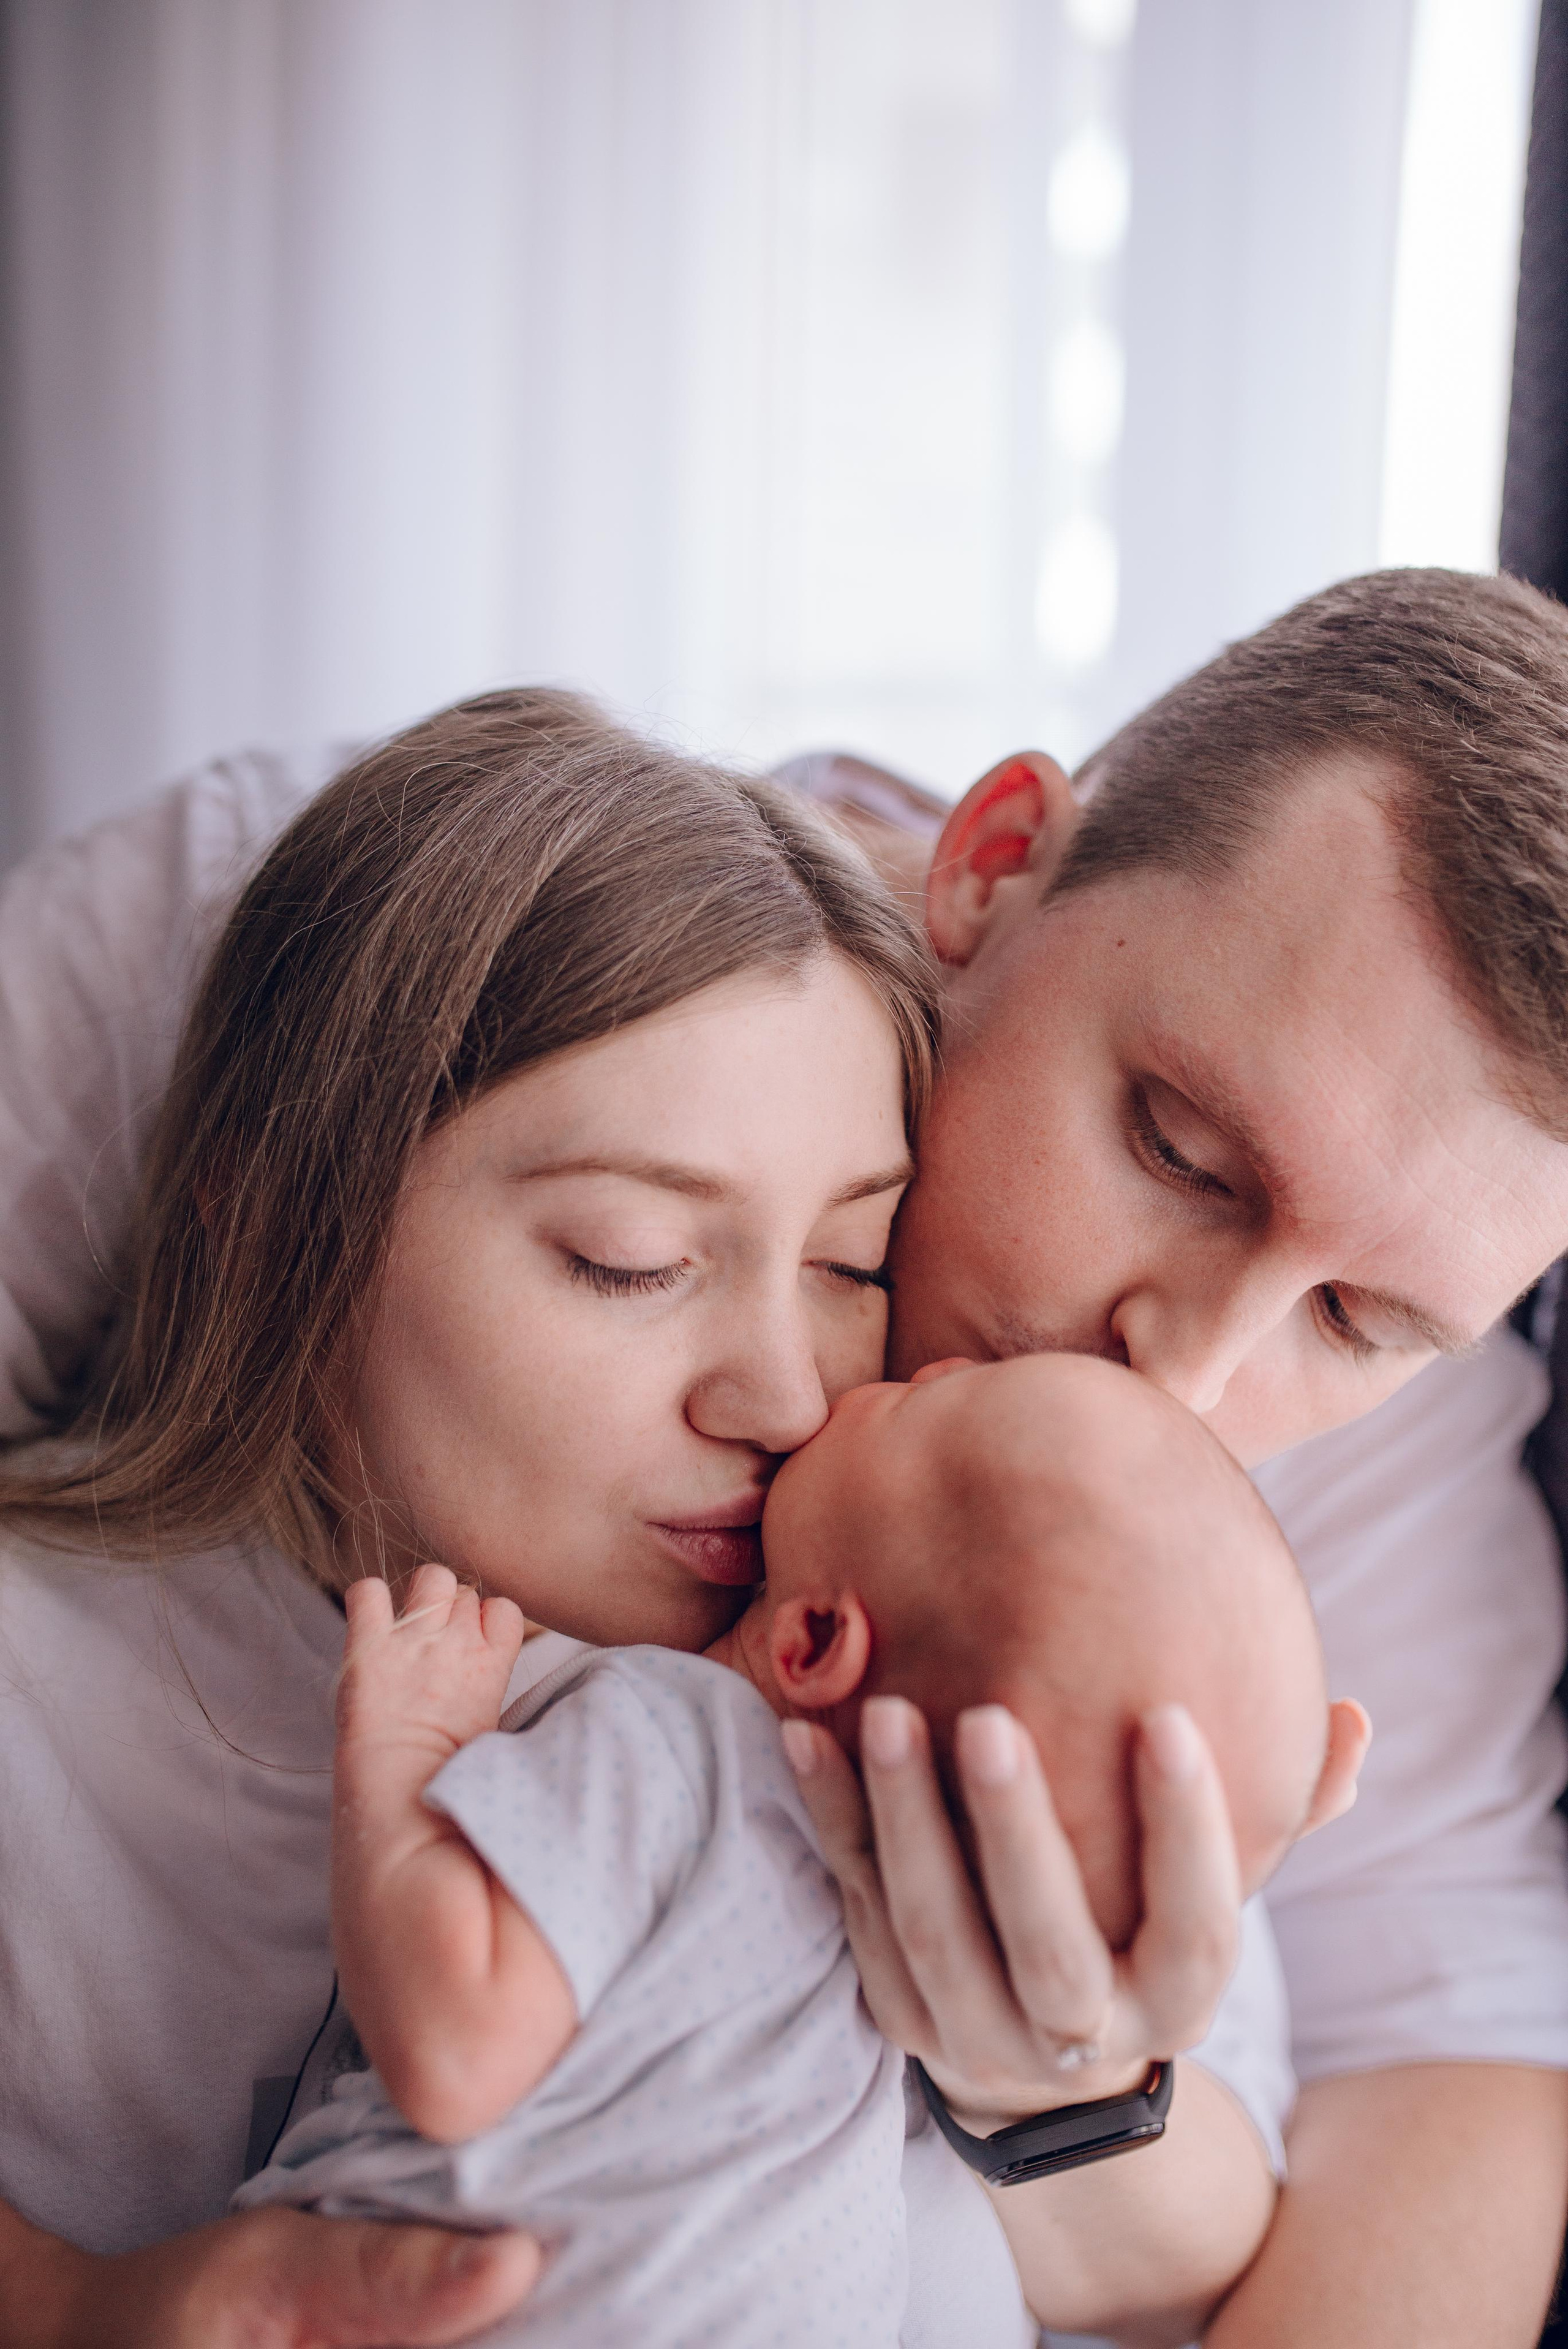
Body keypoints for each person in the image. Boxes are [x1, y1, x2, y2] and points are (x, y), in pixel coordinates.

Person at [2, 566, 1567, 2342]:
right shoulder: (372, 926)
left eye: (1361, 1326)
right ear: (986, 869)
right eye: (1180, 1152)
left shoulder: (1181, 1605)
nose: (1187, 1374)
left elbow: (1446, 2069)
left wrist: (1057, 2091)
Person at [237, 1353, 1349, 2348]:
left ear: (813, 1637)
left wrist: (405, 1749)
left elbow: (458, 2048)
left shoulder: (682, 1742)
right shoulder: (890, 1998)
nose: (924, 1364)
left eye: (928, 1400)